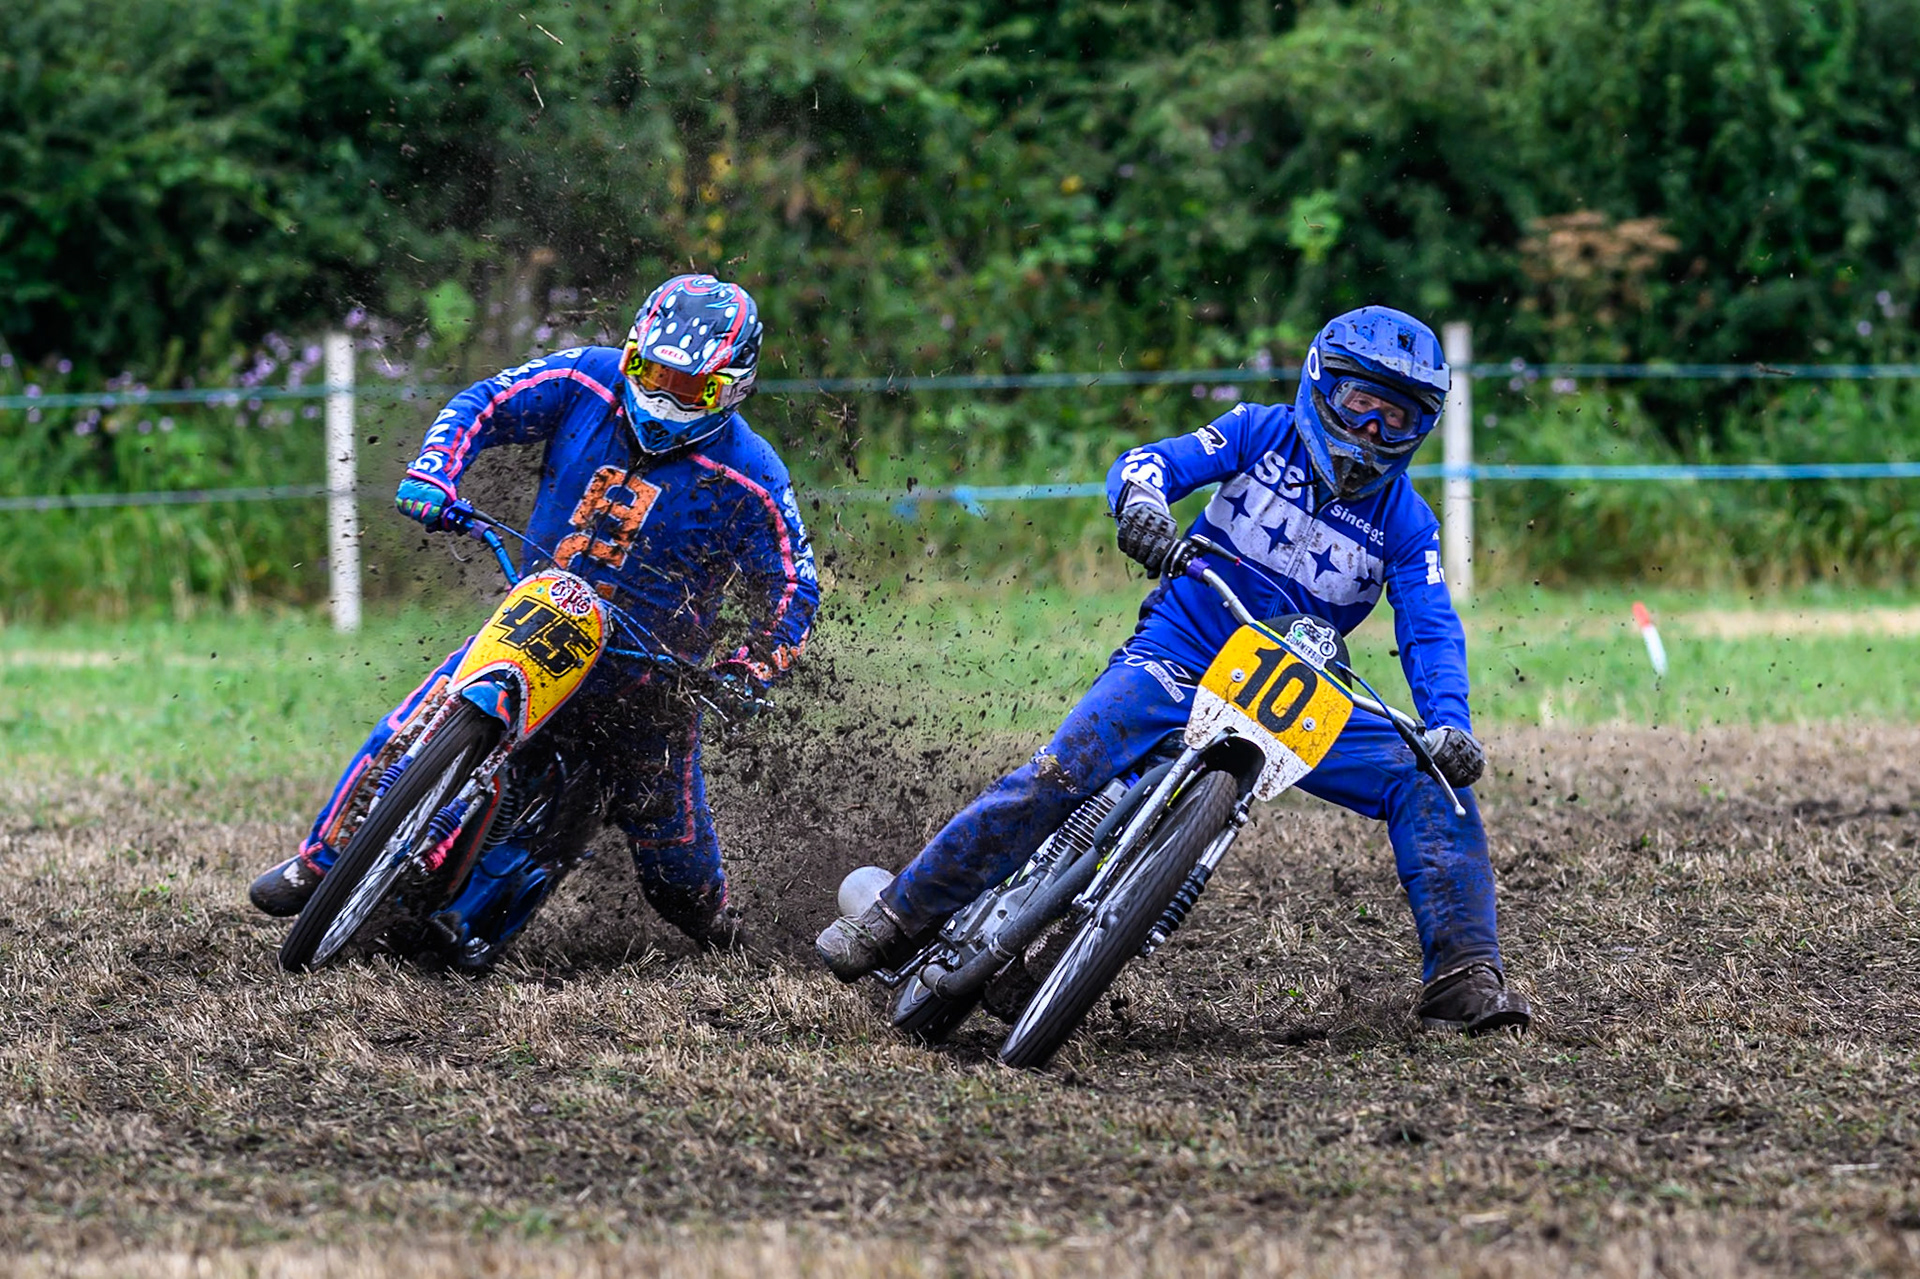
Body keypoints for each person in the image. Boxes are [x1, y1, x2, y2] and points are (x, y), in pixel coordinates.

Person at [816, 305, 1530, 1034]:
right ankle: (896, 915)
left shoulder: (1407, 523)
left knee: (1431, 782)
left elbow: (1432, 626)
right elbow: (1150, 462)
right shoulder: (1257, 431)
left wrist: (1449, 725)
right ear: (1321, 385)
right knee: (1059, 770)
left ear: (1423, 429)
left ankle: (1464, 976)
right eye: (1360, 405)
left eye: (1398, 420)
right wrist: (1144, 506)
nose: (1373, 432)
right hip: (1180, 649)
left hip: (1298, 691)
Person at [249, 273, 819, 958]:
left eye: (689, 387)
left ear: (732, 389)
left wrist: (749, 667)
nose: (663, 395)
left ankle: (718, 926)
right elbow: (486, 402)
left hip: (649, 686)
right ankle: (320, 859)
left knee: (677, 873)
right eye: (651, 371)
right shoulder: (586, 378)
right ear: (631, 352)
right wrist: (436, 471)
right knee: (420, 718)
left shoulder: (754, 474)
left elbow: (793, 588)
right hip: (543, 615)